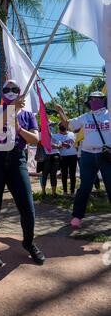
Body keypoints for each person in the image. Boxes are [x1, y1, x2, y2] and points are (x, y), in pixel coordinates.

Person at [0, 79, 45, 268]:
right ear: (2, 93)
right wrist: (11, 111)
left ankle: (28, 242)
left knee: (27, 205)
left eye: (14, 89)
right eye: (6, 89)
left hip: (17, 158)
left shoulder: (28, 115)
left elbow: (35, 138)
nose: (10, 91)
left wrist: (19, 129)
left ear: (20, 92)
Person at [56, 91, 111, 229]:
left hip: (106, 156)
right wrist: (61, 111)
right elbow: (68, 125)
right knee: (85, 187)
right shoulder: (85, 116)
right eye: (92, 99)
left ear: (103, 100)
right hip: (87, 155)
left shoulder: (109, 114)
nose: (94, 101)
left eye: (97, 99)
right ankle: (77, 216)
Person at [55, 122, 77, 196]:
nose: (62, 126)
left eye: (63, 125)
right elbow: (54, 146)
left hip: (73, 156)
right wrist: (60, 145)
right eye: (61, 125)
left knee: (72, 174)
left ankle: (72, 192)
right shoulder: (56, 136)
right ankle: (65, 191)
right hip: (63, 156)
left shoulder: (72, 134)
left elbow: (76, 143)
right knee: (64, 174)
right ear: (59, 127)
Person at [40, 125, 61, 197]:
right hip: (46, 157)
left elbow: (60, 146)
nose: (51, 128)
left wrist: (56, 146)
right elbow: (40, 143)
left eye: (52, 126)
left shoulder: (57, 136)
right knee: (44, 175)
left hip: (55, 156)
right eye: (49, 126)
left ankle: (54, 193)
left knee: (53, 175)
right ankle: (43, 192)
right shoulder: (43, 135)